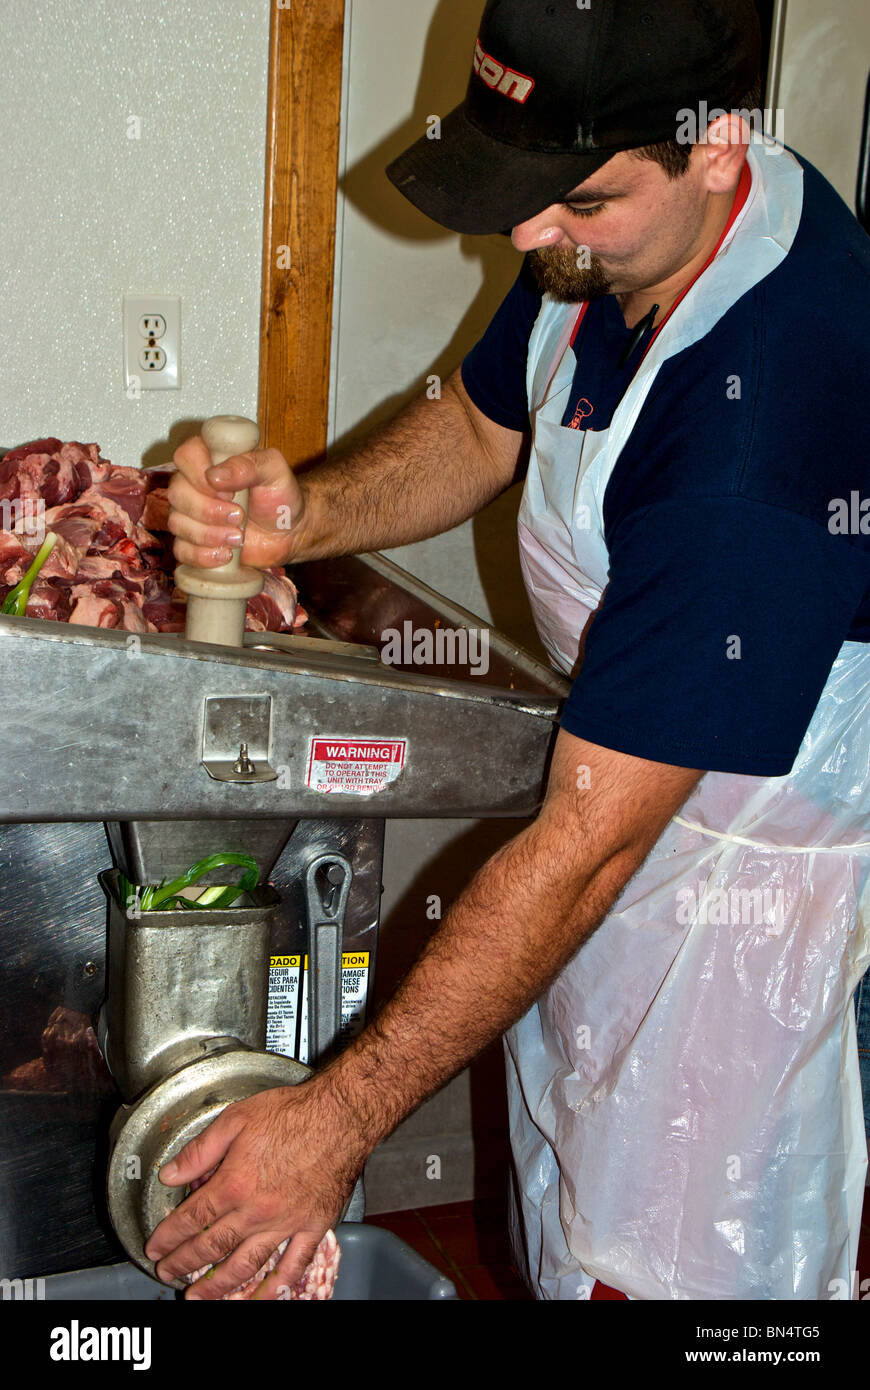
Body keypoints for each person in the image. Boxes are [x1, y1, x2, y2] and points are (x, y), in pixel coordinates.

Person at [145, 0, 870, 1300]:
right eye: (522, 189)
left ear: (716, 150)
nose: (533, 236)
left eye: (576, 200)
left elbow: (586, 848)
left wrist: (336, 1116)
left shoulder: (761, 429)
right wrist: (300, 512)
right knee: (568, 1220)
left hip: (762, 939)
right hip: (626, 842)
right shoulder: (632, 233)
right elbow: (487, 422)